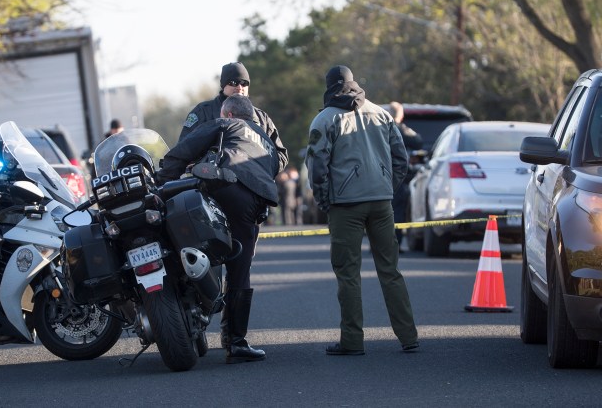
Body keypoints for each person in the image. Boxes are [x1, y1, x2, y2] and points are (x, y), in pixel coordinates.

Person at [157, 94, 282, 364]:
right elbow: (272, 170)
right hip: (254, 205)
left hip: (224, 187)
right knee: (240, 270)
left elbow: (186, 148)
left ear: (227, 114)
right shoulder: (268, 142)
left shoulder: (228, 125)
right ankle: (235, 342)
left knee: (178, 235)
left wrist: (162, 182)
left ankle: (179, 300)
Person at [305, 65, 419, 355]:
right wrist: (386, 188)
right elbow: (400, 159)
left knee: (348, 274)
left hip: (345, 206)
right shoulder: (382, 114)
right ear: (354, 83)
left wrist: (323, 199)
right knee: (390, 271)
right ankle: (408, 337)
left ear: (328, 87)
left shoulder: (325, 119)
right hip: (381, 202)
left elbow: (317, 165)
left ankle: (352, 341)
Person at [178, 61, 288, 174]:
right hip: (211, 183)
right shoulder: (203, 111)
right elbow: (184, 148)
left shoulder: (262, 118)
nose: (240, 87)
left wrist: (262, 169)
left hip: (254, 185)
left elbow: (281, 156)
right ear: (223, 85)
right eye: (234, 82)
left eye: (244, 83)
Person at [388, 101, 423, 251]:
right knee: (397, 213)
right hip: (396, 179)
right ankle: (394, 245)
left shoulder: (377, 128)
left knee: (377, 213)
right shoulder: (398, 128)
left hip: (378, 178)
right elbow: (417, 141)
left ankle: (376, 245)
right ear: (400, 115)